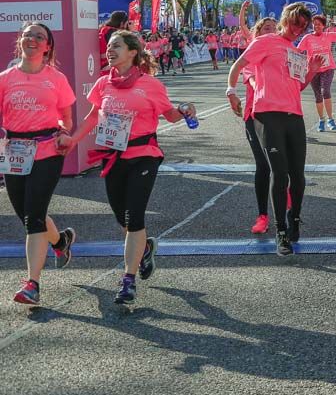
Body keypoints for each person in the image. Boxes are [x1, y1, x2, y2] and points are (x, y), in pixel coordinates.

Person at [59, 30, 197, 305]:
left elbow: (169, 115)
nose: (110, 50)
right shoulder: (102, 84)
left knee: (134, 218)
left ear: (133, 52)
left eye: (117, 46)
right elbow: (92, 116)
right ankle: (144, 248)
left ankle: (128, 280)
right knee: (122, 219)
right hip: (113, 156)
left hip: (144, 155)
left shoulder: (150, 84)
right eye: (109, 46)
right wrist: (73, 139)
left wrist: (184, 109)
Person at [227, 3, 323, 255]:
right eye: (294, 23)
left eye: (303, 26)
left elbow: (298, 87)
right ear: (284, 20)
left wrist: (311, 70)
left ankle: (295, 217)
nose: (297, 30)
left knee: (298, 177)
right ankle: (280, 231)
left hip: (294, 115)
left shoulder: (295, 51)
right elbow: (237, 66)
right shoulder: (265, 41)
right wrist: (231, 92)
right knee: (279, 174)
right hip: (267, 115)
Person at [1, 23, 77, 305]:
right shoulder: (5, 78)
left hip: (46, 150)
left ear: (47, 47)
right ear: (20, 41)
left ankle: (32, 284)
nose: (32, 39)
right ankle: (60, 242)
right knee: (29, 214)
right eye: (27, 35)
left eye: (39, 36)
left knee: (33, 217)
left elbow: (67, 119)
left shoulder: (55, 79)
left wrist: (63, 132)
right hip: (15, 152)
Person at [230, 17, 278, 234]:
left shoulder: (281, 53)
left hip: (280, 115)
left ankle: (284, 205)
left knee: (281, 166)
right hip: (255, 115)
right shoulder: (251, 55)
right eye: (265, 28)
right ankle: (262, 216)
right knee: (263, 165)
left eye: (273, 29)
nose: (270, 31)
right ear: (257, 33)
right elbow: (252, 80)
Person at [298, 15, 336, 132]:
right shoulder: (307, 38)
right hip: (313, 70)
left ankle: (330, 119)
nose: (316, 26)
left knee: (325, 90)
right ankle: (321, 119)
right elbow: (298, 50)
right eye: (314, 24)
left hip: (328, 68)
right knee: (318, 95)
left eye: (319, 24)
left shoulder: (328, 35)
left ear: (323, 26)